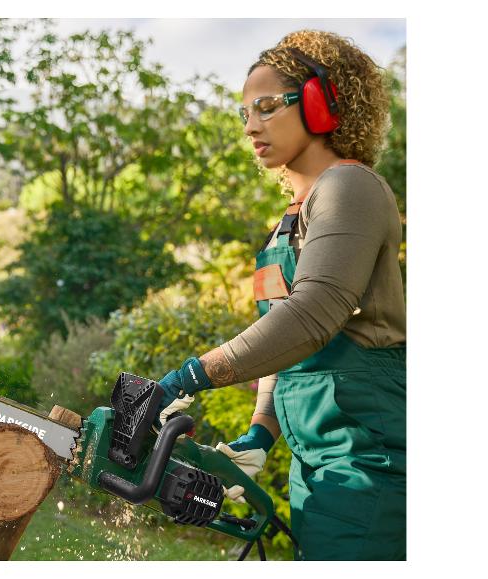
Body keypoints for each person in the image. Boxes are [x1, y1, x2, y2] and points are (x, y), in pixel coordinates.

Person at [155, 30, 405, 560]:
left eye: (267, 106)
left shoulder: (348, 188)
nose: (251, 126)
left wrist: (191, 376)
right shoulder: (286, 224)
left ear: (320, 102)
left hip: (368, 457)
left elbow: (314, 313)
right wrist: (259, 435)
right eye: (244, 111)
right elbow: (286, 344)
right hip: (316, 462)